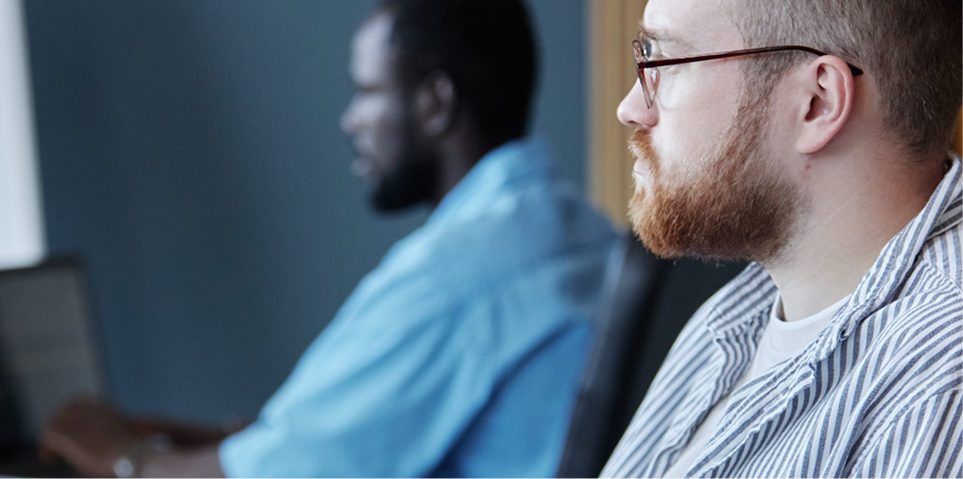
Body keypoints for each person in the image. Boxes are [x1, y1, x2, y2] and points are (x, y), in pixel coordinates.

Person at [38, 0, 617, 478]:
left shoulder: (461, 273)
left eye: (367, 92)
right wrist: (180, 437)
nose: (351, 120)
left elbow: (279, 474)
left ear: (435, 104)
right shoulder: (577, 233)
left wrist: (121, 457)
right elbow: (320, 438)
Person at [600, 0, 963, 477]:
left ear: (818, 102)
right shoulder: (736, 317)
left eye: (664, 61)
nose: (631, 108)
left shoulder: (935, 387)